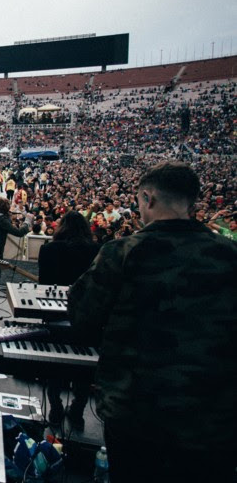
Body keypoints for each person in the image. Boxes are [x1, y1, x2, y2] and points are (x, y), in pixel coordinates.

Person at [68, 162, 237, 482]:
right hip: (213, 416)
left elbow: (82, 317)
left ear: (148, 198)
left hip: (136, 411)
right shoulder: (229, 254)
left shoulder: (123, 252)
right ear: (192, 202)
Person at [37, 211, 99, 430]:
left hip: (55, 312)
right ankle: (78, 411)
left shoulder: (49, 249)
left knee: (55, 363)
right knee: (83, 366)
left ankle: (55, 408)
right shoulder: (97, 250)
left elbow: (44, 283)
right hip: (87, 314)